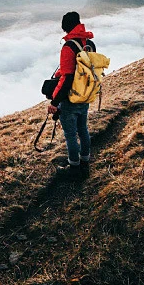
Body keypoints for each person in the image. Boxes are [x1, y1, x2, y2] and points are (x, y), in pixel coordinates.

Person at [49, 11, 95, 178]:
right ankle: (85, 161)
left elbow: (67, 77)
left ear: (66, 26)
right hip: (85, 95)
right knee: (83, 129)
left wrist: (54, 102)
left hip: (70, 98)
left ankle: (74, 167)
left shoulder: (68, 47)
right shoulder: (89, 43)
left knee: (70, 134)